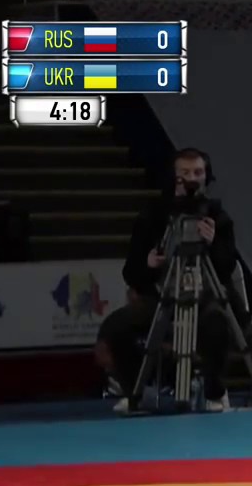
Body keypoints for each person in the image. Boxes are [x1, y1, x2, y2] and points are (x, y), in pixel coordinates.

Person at [95, 148, 242, 413]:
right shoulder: (151, 216)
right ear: (172, 177)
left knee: (218, 323)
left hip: (204, 294)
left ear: (207, 177)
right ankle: (137, 392)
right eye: (185, 173)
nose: (192, 179)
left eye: (198, 172)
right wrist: (149, 264)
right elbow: (131, 272)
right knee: (116, 327)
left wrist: (213, 244)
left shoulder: (218, 217)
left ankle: (215, 392)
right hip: (161, 296)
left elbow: (227, 268)